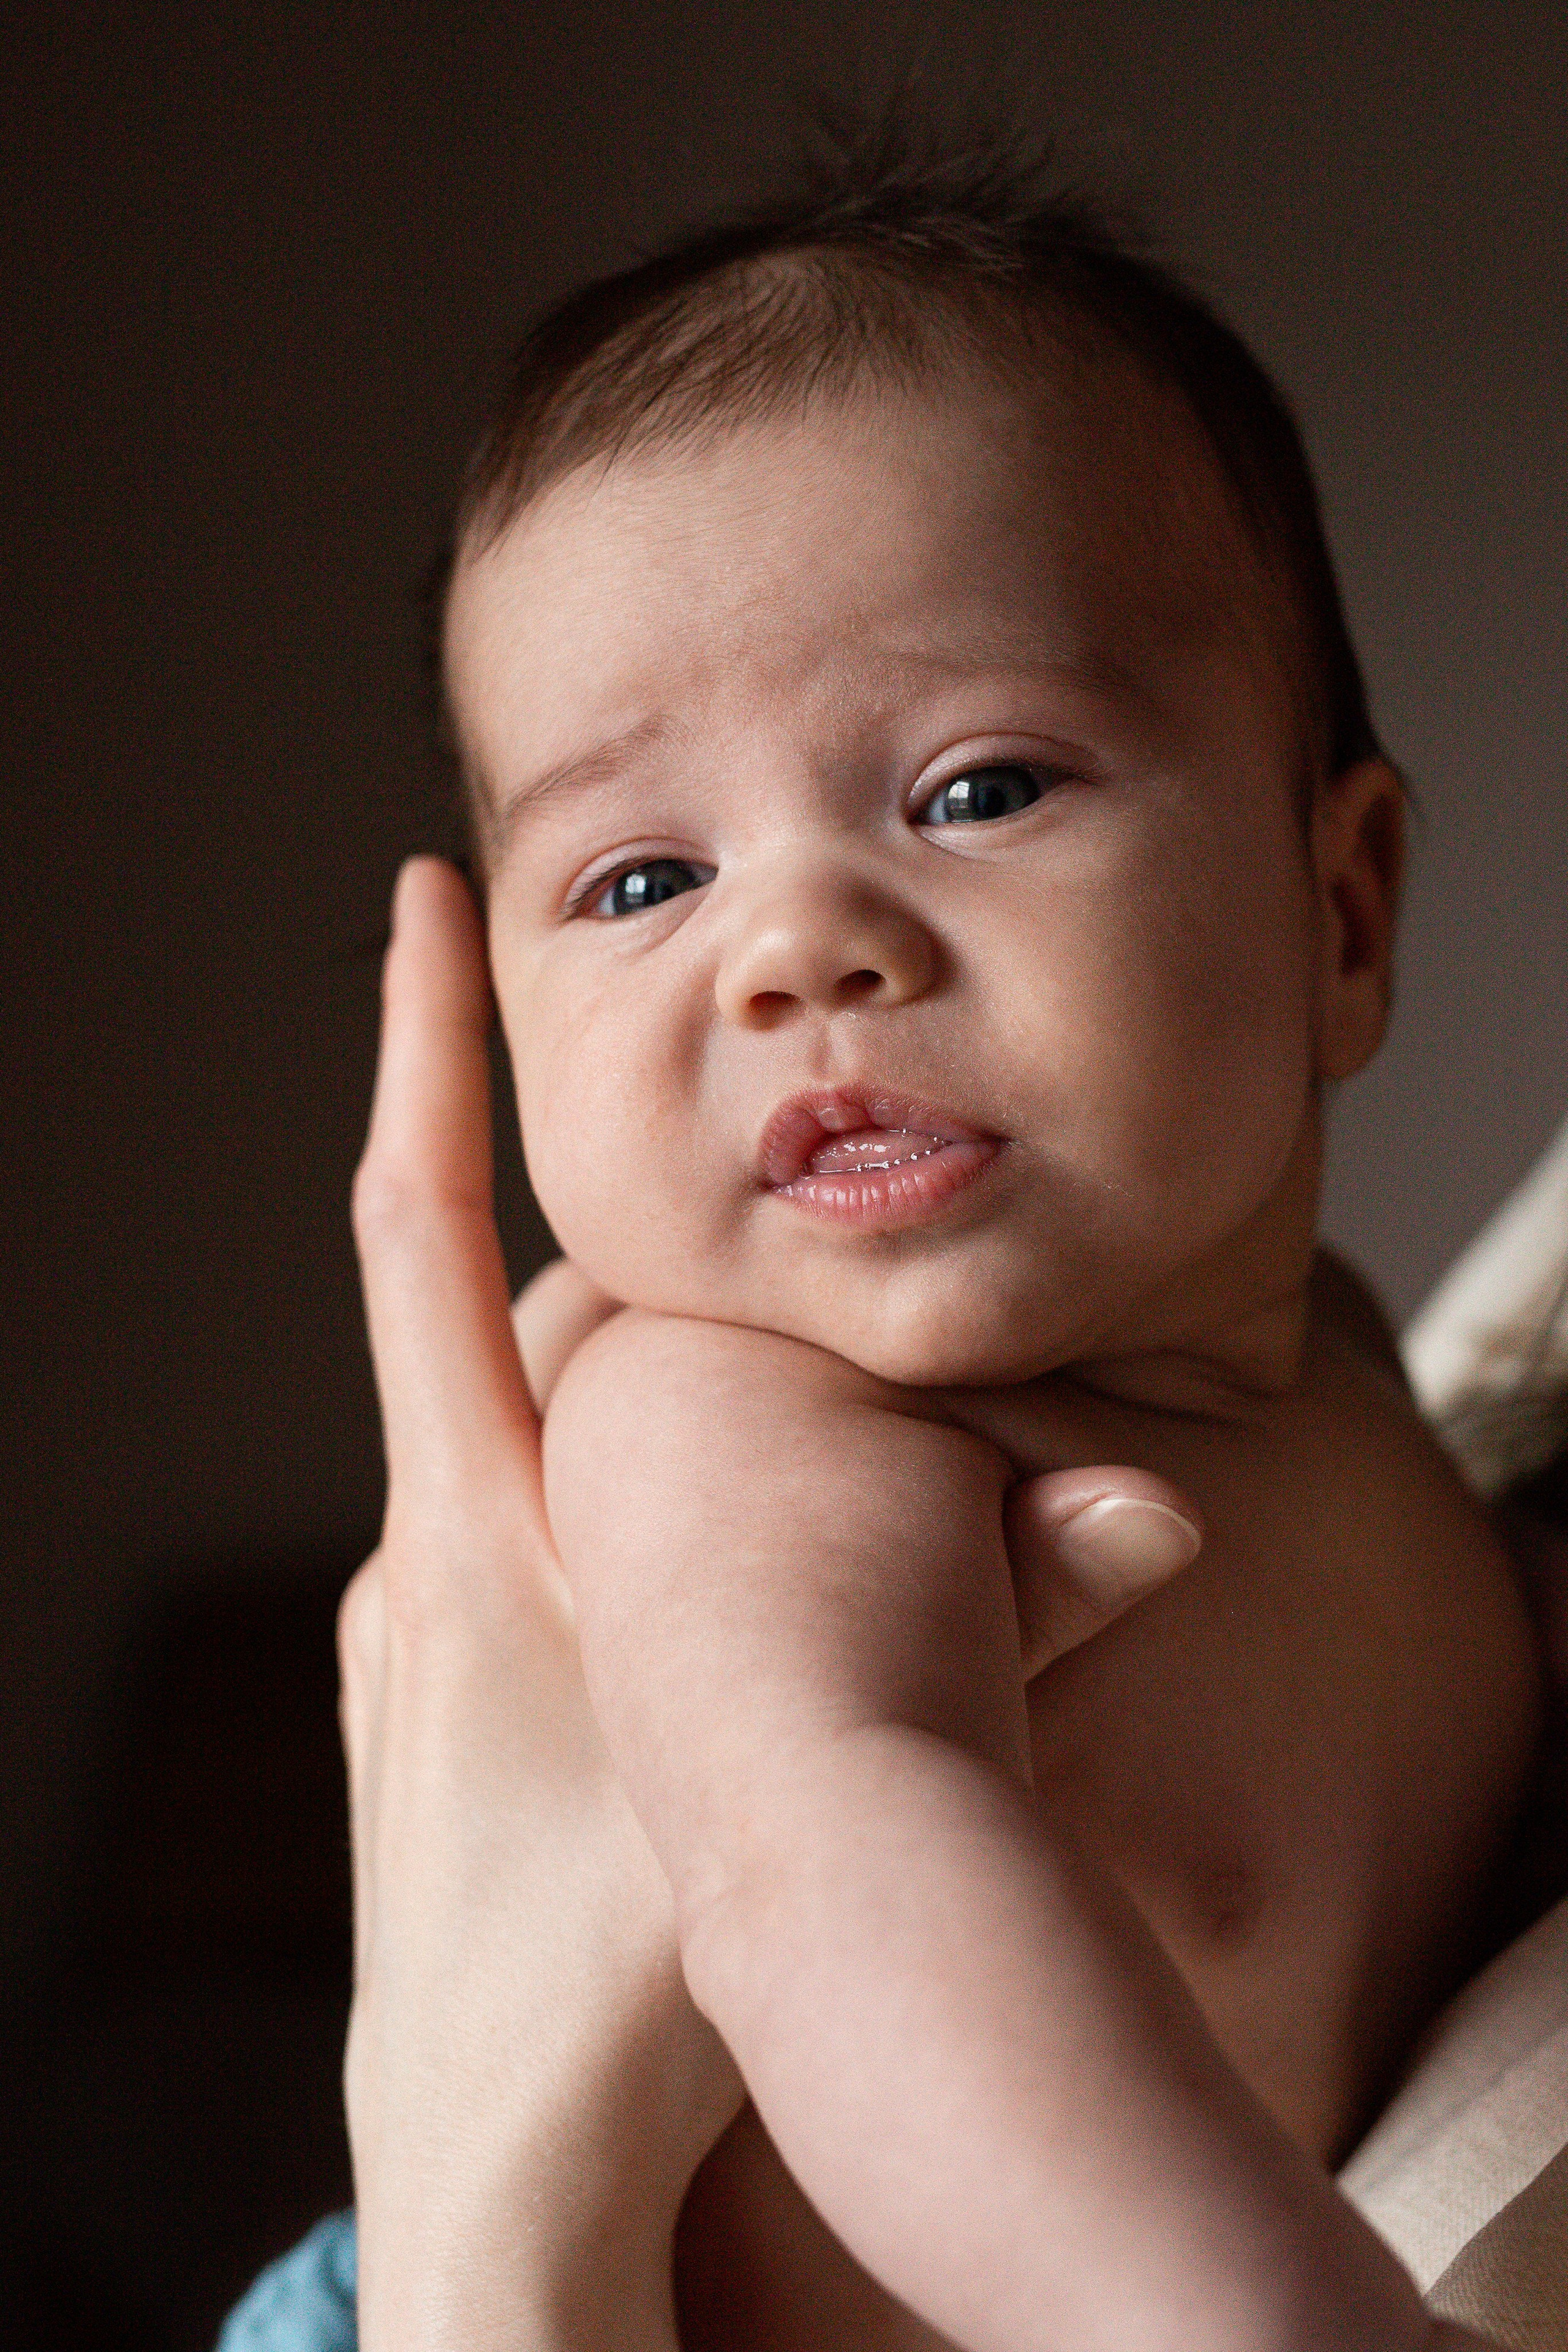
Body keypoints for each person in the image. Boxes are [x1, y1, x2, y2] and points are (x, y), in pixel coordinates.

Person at [226, 132, 1544, 2349]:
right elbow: (830, 1873)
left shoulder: (1345, 1379)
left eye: (977, 788)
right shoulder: (733, 1429)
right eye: (642, 883)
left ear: (1341, 912)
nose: (799, 945)